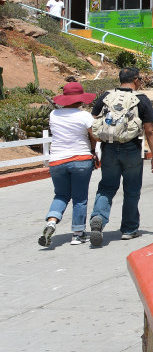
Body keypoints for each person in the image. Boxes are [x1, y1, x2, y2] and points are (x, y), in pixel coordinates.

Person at [88, 67, 153, 246]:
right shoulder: (141, 99)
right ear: (136, 80)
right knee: (132, 190)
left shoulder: (106, 96)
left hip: (109, 148)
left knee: (107, 186)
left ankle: (98, 217)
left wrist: (93, 148)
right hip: (131, 149)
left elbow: (92, 122)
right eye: (140, 79)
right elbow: (150, 130)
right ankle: (128, 229)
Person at [38, 82, 99, 247]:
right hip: (81, 159)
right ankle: (78, 234)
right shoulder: (84, 116)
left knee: (61, 195)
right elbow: (95, 136)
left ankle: (51, 222)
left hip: (57, 160)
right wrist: (94, 150)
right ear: (80, 99)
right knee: (80, 198)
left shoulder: (53, 115)